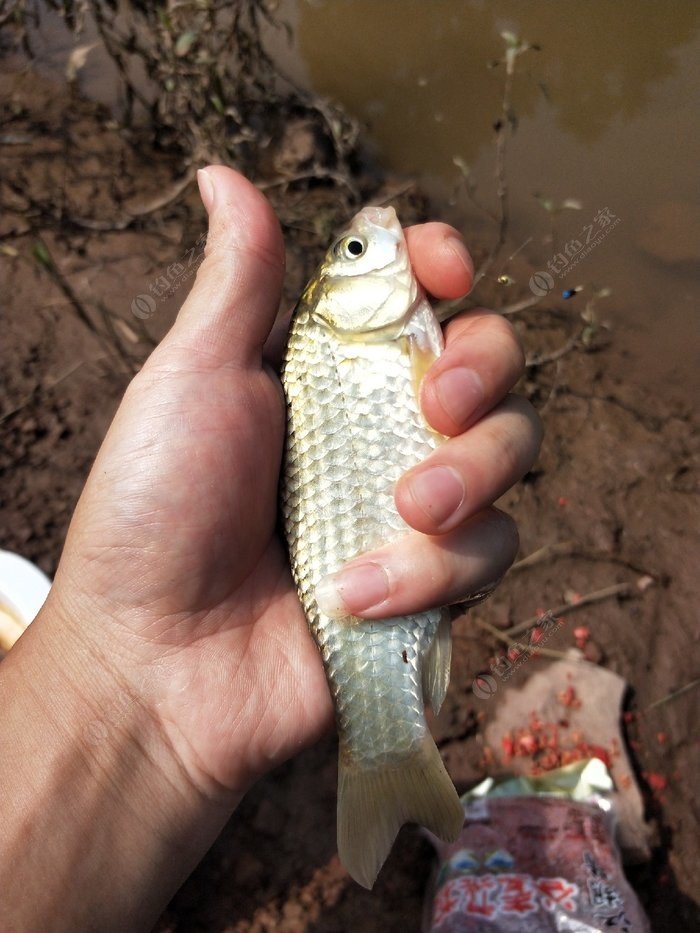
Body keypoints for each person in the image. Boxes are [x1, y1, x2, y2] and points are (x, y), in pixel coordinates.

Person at [0, 166, 542, 931]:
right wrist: (119, 675)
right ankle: (388, 747)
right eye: (358, 248)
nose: (377, 236)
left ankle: (389, 734)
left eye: (352, 247)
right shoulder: (327, 342)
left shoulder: (349, 340)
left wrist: (117, 692)